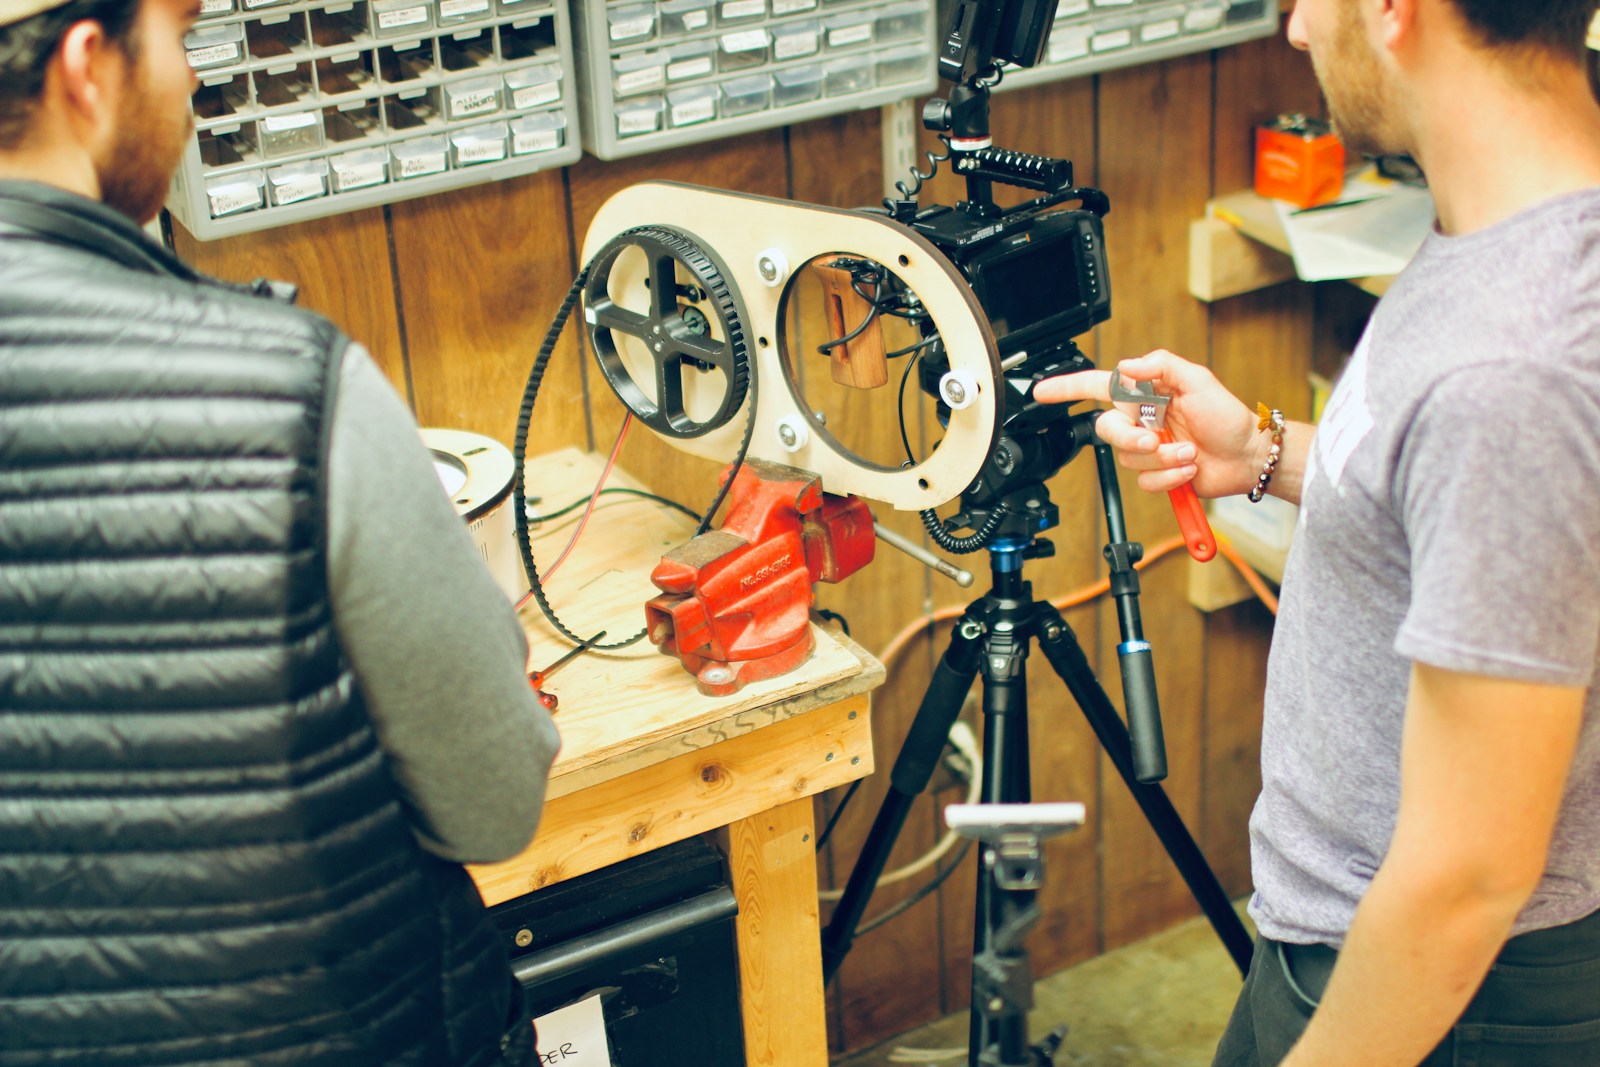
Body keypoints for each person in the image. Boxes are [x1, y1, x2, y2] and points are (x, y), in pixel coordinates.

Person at [1035, 1, 1600, 1064]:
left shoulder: (1514, 369)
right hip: (1344, 931)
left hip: (1438, 985)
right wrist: (1259, 452)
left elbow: (1467, 874)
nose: (1295, 29)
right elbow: (1453, 504)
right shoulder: (1506, 226)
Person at [0, 0, 561, 1062]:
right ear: (88, 69)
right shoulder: (291, 389)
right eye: (180, 37)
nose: (195, 82)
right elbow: (493, 804)